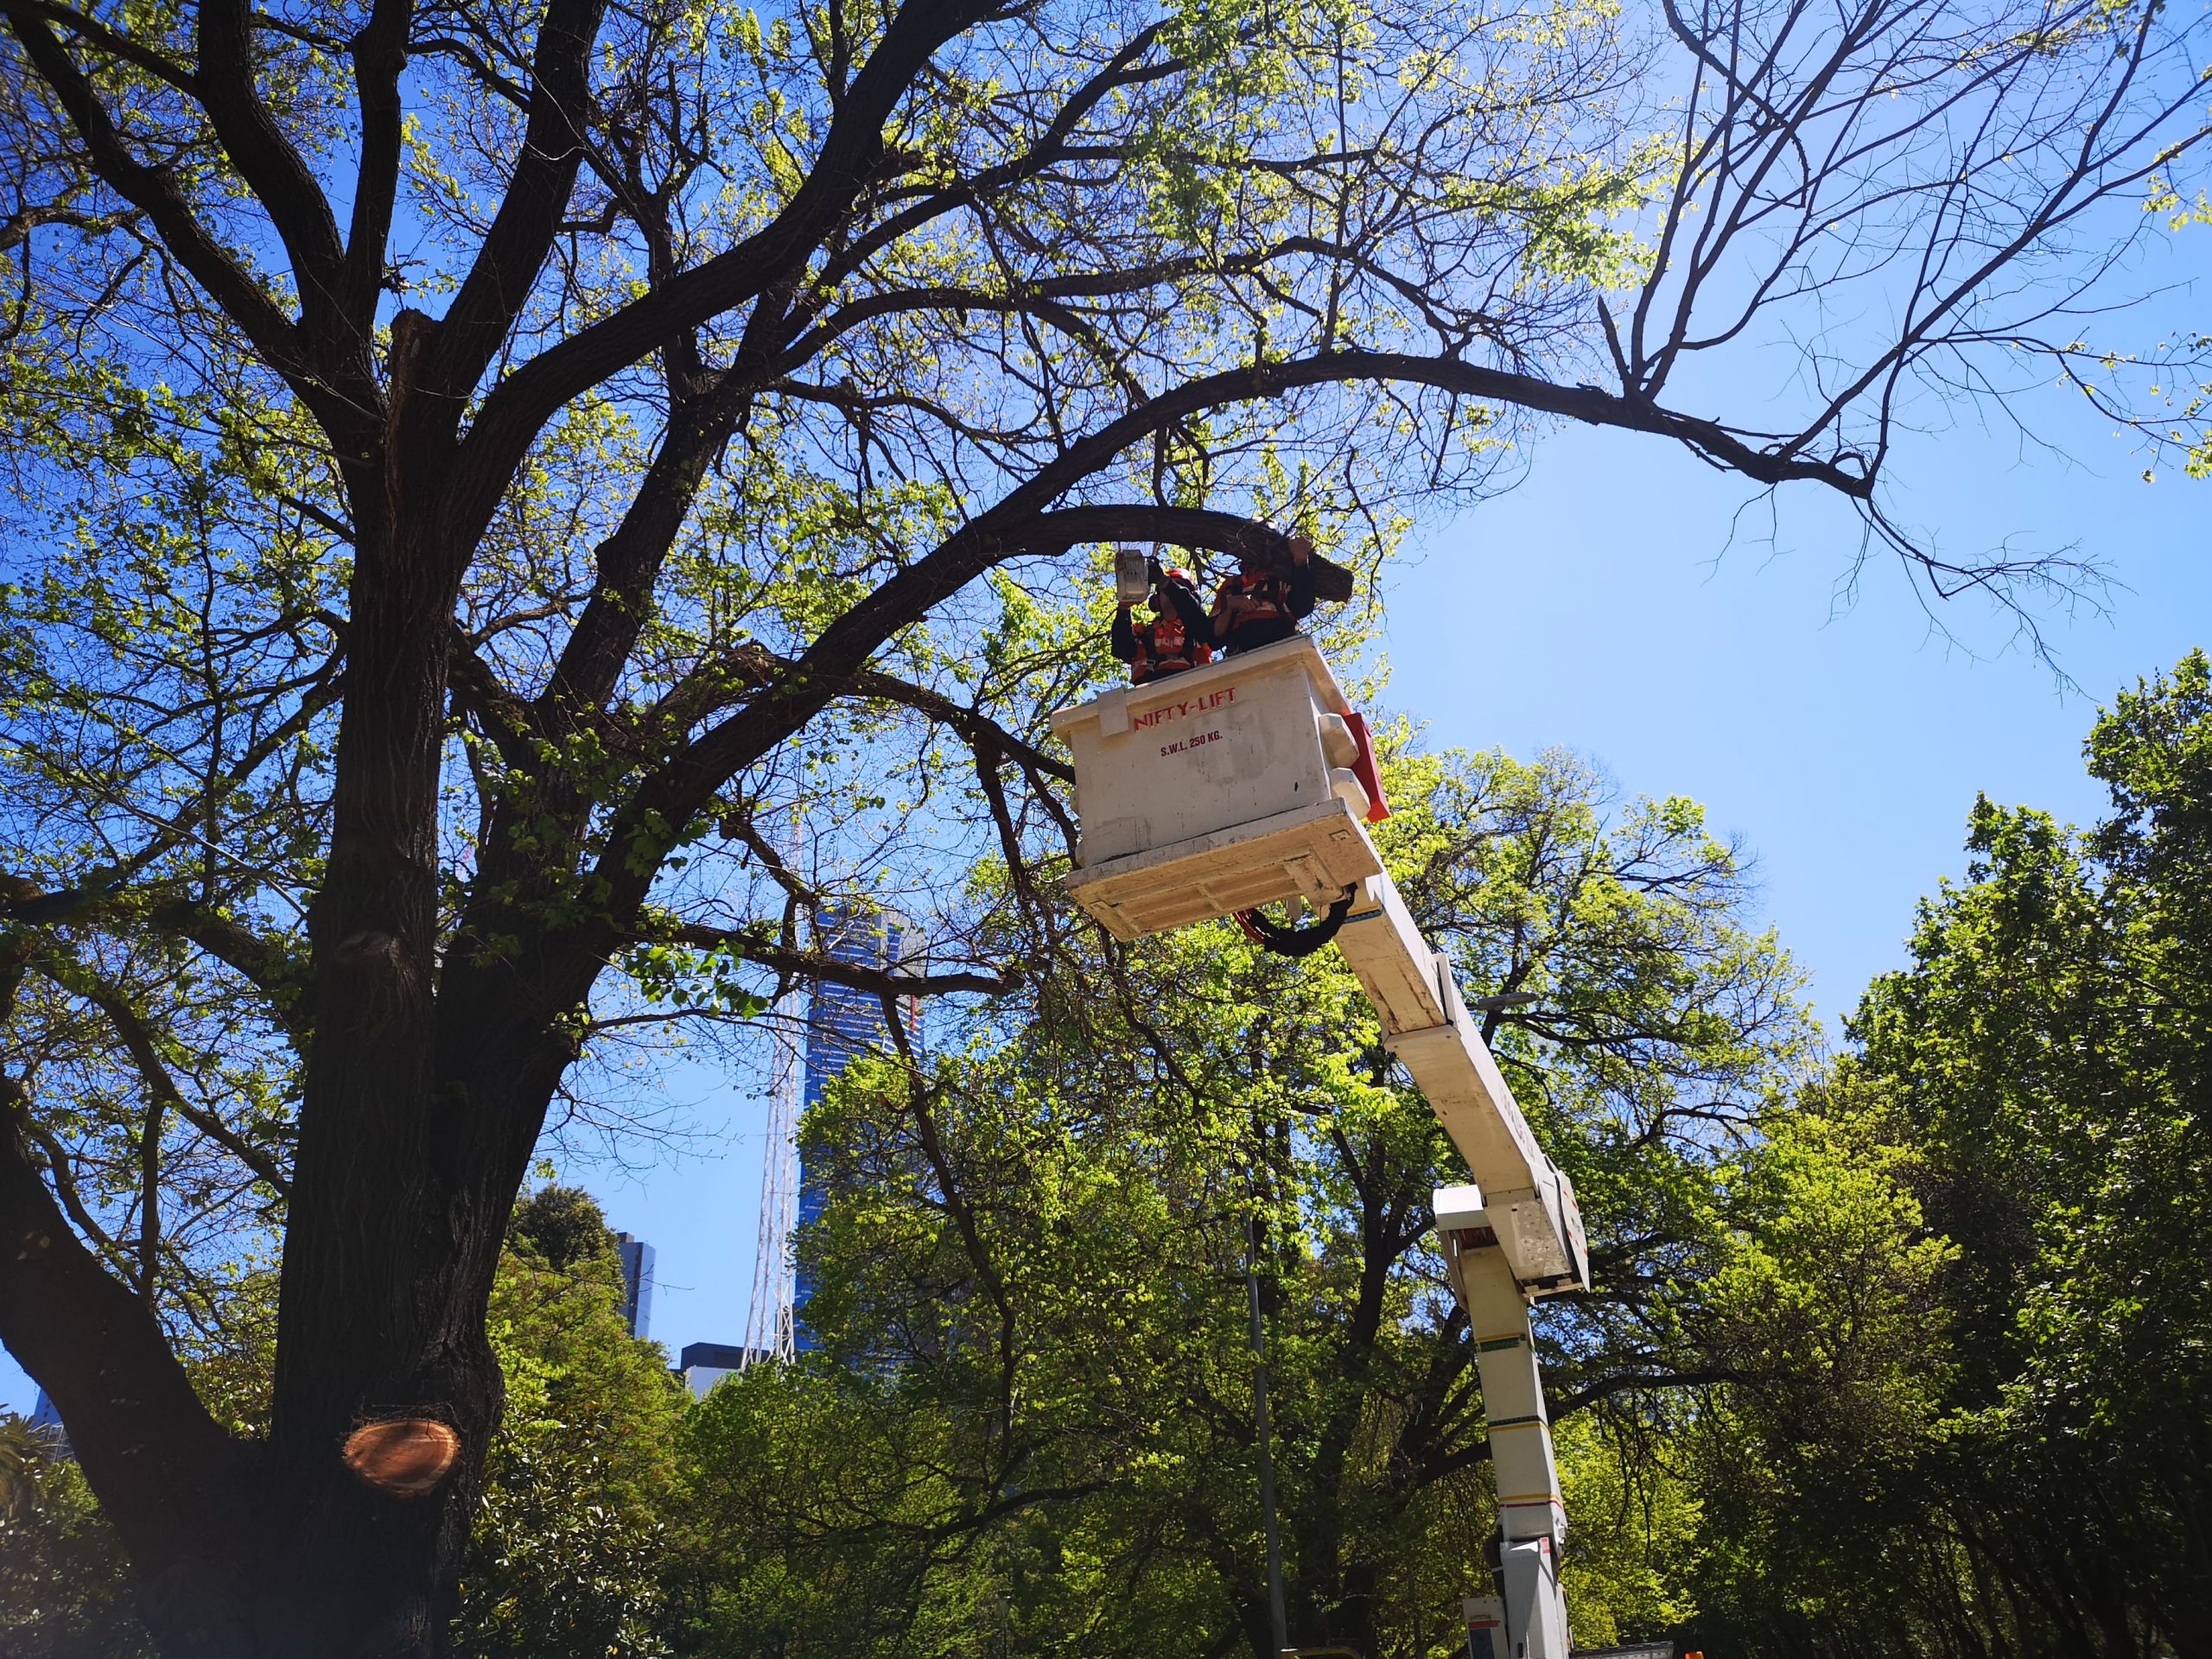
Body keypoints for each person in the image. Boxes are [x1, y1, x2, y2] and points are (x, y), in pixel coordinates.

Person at [1111, 559, 1215, 684]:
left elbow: (1193, 613)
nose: (1172, 591)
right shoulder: (1144, 634)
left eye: (1178, 586)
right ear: (1157, 599)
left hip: (1193, 693)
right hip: (1150, 696)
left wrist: (1164, 581)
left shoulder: (1199, 629)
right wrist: (1124, 608)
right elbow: (1121, 649)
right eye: (1166, 589)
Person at [1211, 533, 1315, 655]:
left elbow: (1302, 607)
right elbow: (1214, 638)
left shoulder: (1285, 576)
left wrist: (1301, 561)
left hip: (1283, 649)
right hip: (1242, 655)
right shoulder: (1232, 585)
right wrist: (1230, 604)